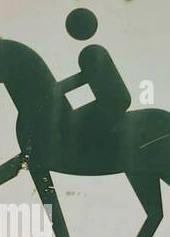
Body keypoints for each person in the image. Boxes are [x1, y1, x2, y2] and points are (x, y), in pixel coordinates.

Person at [54, 8, 131, 144]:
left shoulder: (93, 56)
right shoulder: (93, 55)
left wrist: (56, 90)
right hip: (114, 102)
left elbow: (80, 79)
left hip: (112, 104)